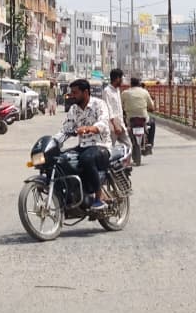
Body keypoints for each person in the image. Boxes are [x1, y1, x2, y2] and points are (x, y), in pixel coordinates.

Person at [55, 78, 112, 211]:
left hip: (101, 145)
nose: (72, 95)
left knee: (86, 158)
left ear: (85, 92)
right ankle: (73, 195)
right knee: (60, 160)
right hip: (83, 146)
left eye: (75, 93)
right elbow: (66, 129)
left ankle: (99, 197)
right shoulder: (73, 109)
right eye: (72, 93)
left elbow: (103, 123)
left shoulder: (99, 104)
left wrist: (88, 128)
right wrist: (53, 141)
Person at [121, 75, 157, 154]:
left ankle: (126, 145)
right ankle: (150, 143)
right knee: (153, 122)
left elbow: (121, 105)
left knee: (124, 127)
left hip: (130, 119)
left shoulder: (125, 93)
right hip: (143, 118)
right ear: (139, 84)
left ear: (131, 84)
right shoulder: (145, 92)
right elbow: (151, 106)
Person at [98, 68, 129, 150]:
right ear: (117, 78)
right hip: (112, 126)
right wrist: (115, 125)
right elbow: (108, 109)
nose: (122, 81)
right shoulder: (107, 91)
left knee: (128, 146)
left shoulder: (118, 90)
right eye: (121, 78)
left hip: (120, 123)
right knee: (109, 147)